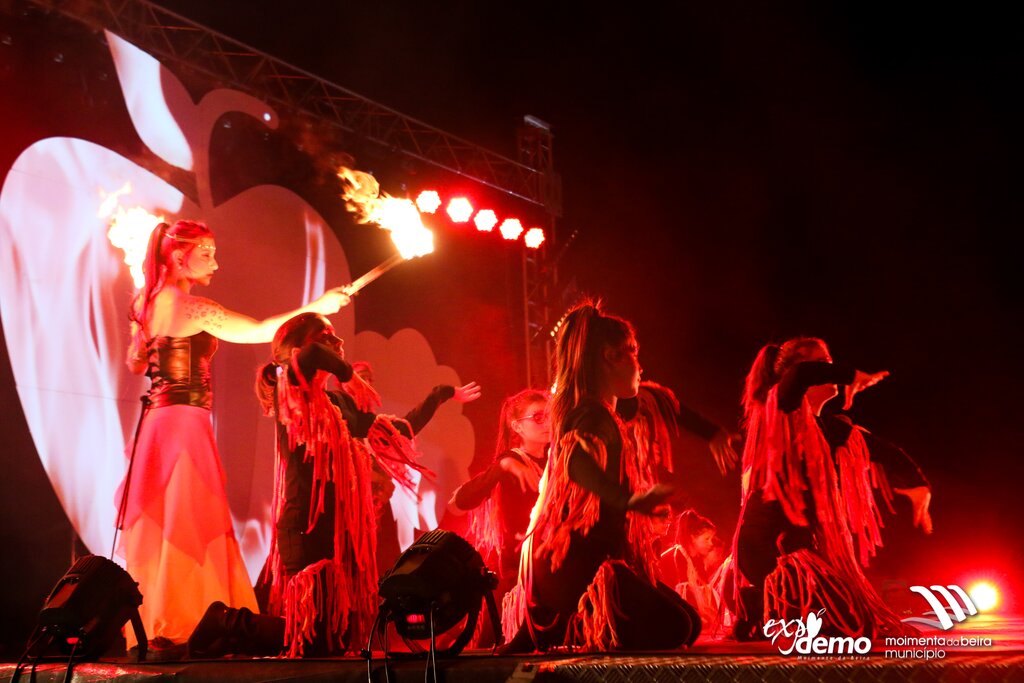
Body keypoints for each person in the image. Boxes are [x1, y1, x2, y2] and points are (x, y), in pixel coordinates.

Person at [117, 219, 350, 647]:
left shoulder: (145, 305)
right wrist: (319, 305)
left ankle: (159, 621)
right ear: (178, 257)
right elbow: (260, 330)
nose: (215, 263)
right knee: (188, 520)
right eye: (206, 254)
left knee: (166, 521)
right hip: (184, 422)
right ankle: (184, 620)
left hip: (157, 424)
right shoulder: (191, 308)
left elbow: (135, 363)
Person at [246, 312, 478, 656]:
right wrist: (348, 374)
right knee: (310, 636)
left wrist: (440, 395)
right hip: (304, 530)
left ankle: (232, 628)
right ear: (296, 348)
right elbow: (310, 356)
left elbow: (399, 431)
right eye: (326, 336)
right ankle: (226, 624)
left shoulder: (339, 404)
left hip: (337, 536)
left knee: (336, 640)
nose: (338, 342)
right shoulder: (291, 389)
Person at [504, 302, 701, 652]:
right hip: (577, 570)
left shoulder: (602, 412)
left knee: (690, 623)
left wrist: (711, 433)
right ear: (610, 357)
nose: (640, 366)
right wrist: (629, 500)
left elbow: (658, 400)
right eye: (634, 354)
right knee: (677, 628)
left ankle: (559, 621)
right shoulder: (592, 415)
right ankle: (567, 624)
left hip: (582, 565)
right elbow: (577, 462)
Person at [731, 337, 919, 640]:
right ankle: (761, 603)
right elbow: (802, 374)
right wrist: (851, 375)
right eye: (823, 363)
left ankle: (763, 606)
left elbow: (883, 451)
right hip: (768, 549)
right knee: (844, 622)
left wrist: (918, 484)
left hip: (800, 549)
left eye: (829, 363)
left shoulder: (830, 428)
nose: (829, 369)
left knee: (857, 619)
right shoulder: (780, 407)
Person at [449, 388, 550, 643]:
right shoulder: (511, 462)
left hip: (549, 568)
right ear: (517, 427)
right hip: (517, 574)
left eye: (551, 415)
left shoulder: (556, 460)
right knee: (497, 643)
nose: (548, 422)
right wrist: (503, 465)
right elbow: (459, 501)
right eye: (538, 417)